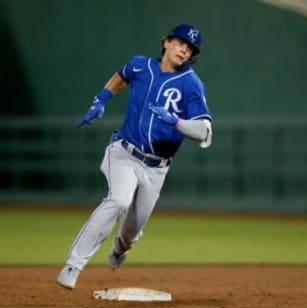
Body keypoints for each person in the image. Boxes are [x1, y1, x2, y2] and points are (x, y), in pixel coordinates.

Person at [56, 24, 212, 290]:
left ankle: (120, 249)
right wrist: (101, 99)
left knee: (130, 232)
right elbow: (122, 75)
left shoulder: (191, 84)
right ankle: (74, 265)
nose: (184, 49)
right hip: (124, 153)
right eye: (180, 42)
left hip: (156, 169)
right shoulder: (140, 66)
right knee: (118, 199)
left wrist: (176, 121)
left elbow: (204, 132)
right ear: (166, 43)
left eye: (190, 48)